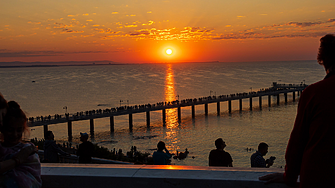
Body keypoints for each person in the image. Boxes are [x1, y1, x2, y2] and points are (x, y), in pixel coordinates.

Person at [259, 34, 335, 187]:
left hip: (317, 177)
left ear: (322, 60)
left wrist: (290, 175)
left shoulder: (313, 93)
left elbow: (297, 142)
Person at [0, 100, 42, 188]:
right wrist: (18, 159)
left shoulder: (28, 150)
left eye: (19, 130)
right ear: (2, 129)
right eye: (10, 130)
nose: (15, 134)